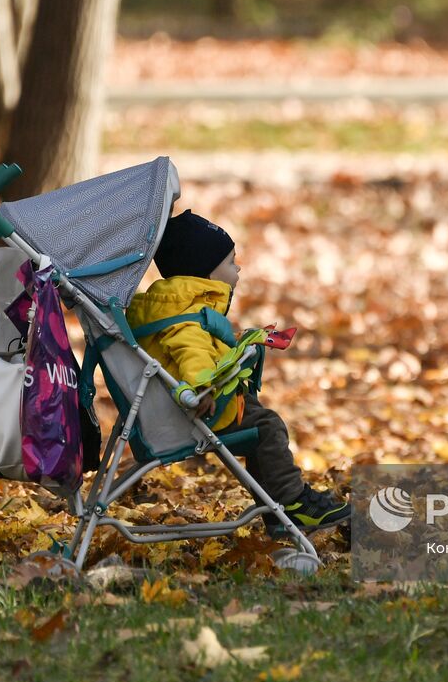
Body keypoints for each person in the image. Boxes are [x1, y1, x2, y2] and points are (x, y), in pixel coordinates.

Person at [126, 209, 351, 538]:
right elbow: (191, 353)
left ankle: (280, 514)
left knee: (259, 422)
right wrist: (201, 390)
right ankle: (294, 504)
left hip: (176, 411)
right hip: (195, 413)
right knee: (268, 427)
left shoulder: (172, 303)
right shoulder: (186, 314)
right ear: (207, 273)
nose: (238, 268)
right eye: (231, 262)